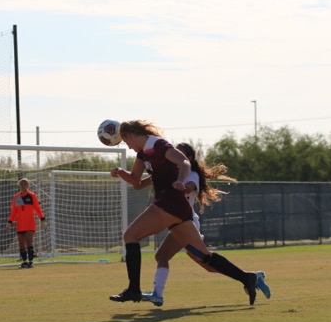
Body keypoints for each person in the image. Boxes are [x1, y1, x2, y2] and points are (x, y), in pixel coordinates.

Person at [108, 120, 264, 306]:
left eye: (126, 142)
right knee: (204, 257)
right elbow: (137, 182)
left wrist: (181, 181)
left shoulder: (157, 144)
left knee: (130, 236)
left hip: (170, 202)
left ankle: (134, 290)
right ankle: (247, 278)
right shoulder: (143, 153)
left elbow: (183, 162)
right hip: (177, 208)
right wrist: (120, 173)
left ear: (130, 135)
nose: (129, 147)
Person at [140, 142, 271, 306]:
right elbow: (144, 181)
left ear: (188, 158)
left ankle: (157, 294)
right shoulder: (172, 172)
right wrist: (128, 174)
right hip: (178, 222)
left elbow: (189, 187)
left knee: (183, 258)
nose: (175, 155)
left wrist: (181, 186)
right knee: (205, 265)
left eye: (179, 153)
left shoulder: (192, 174)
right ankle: (250, 277)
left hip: (186, 222)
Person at [5, 178, 46, 268]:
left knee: (29, 243)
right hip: (20, 224)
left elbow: (37, 208)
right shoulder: (16, 197)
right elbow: (13, 212)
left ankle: (31, 262)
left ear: (28, 185)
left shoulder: (32, 196)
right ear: (19, 185)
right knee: (21, 244)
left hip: (30, 223)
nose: (23, 185)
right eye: (22, 184)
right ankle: (24, 262)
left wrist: (42, 219)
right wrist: (9, 223)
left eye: (25, 183)